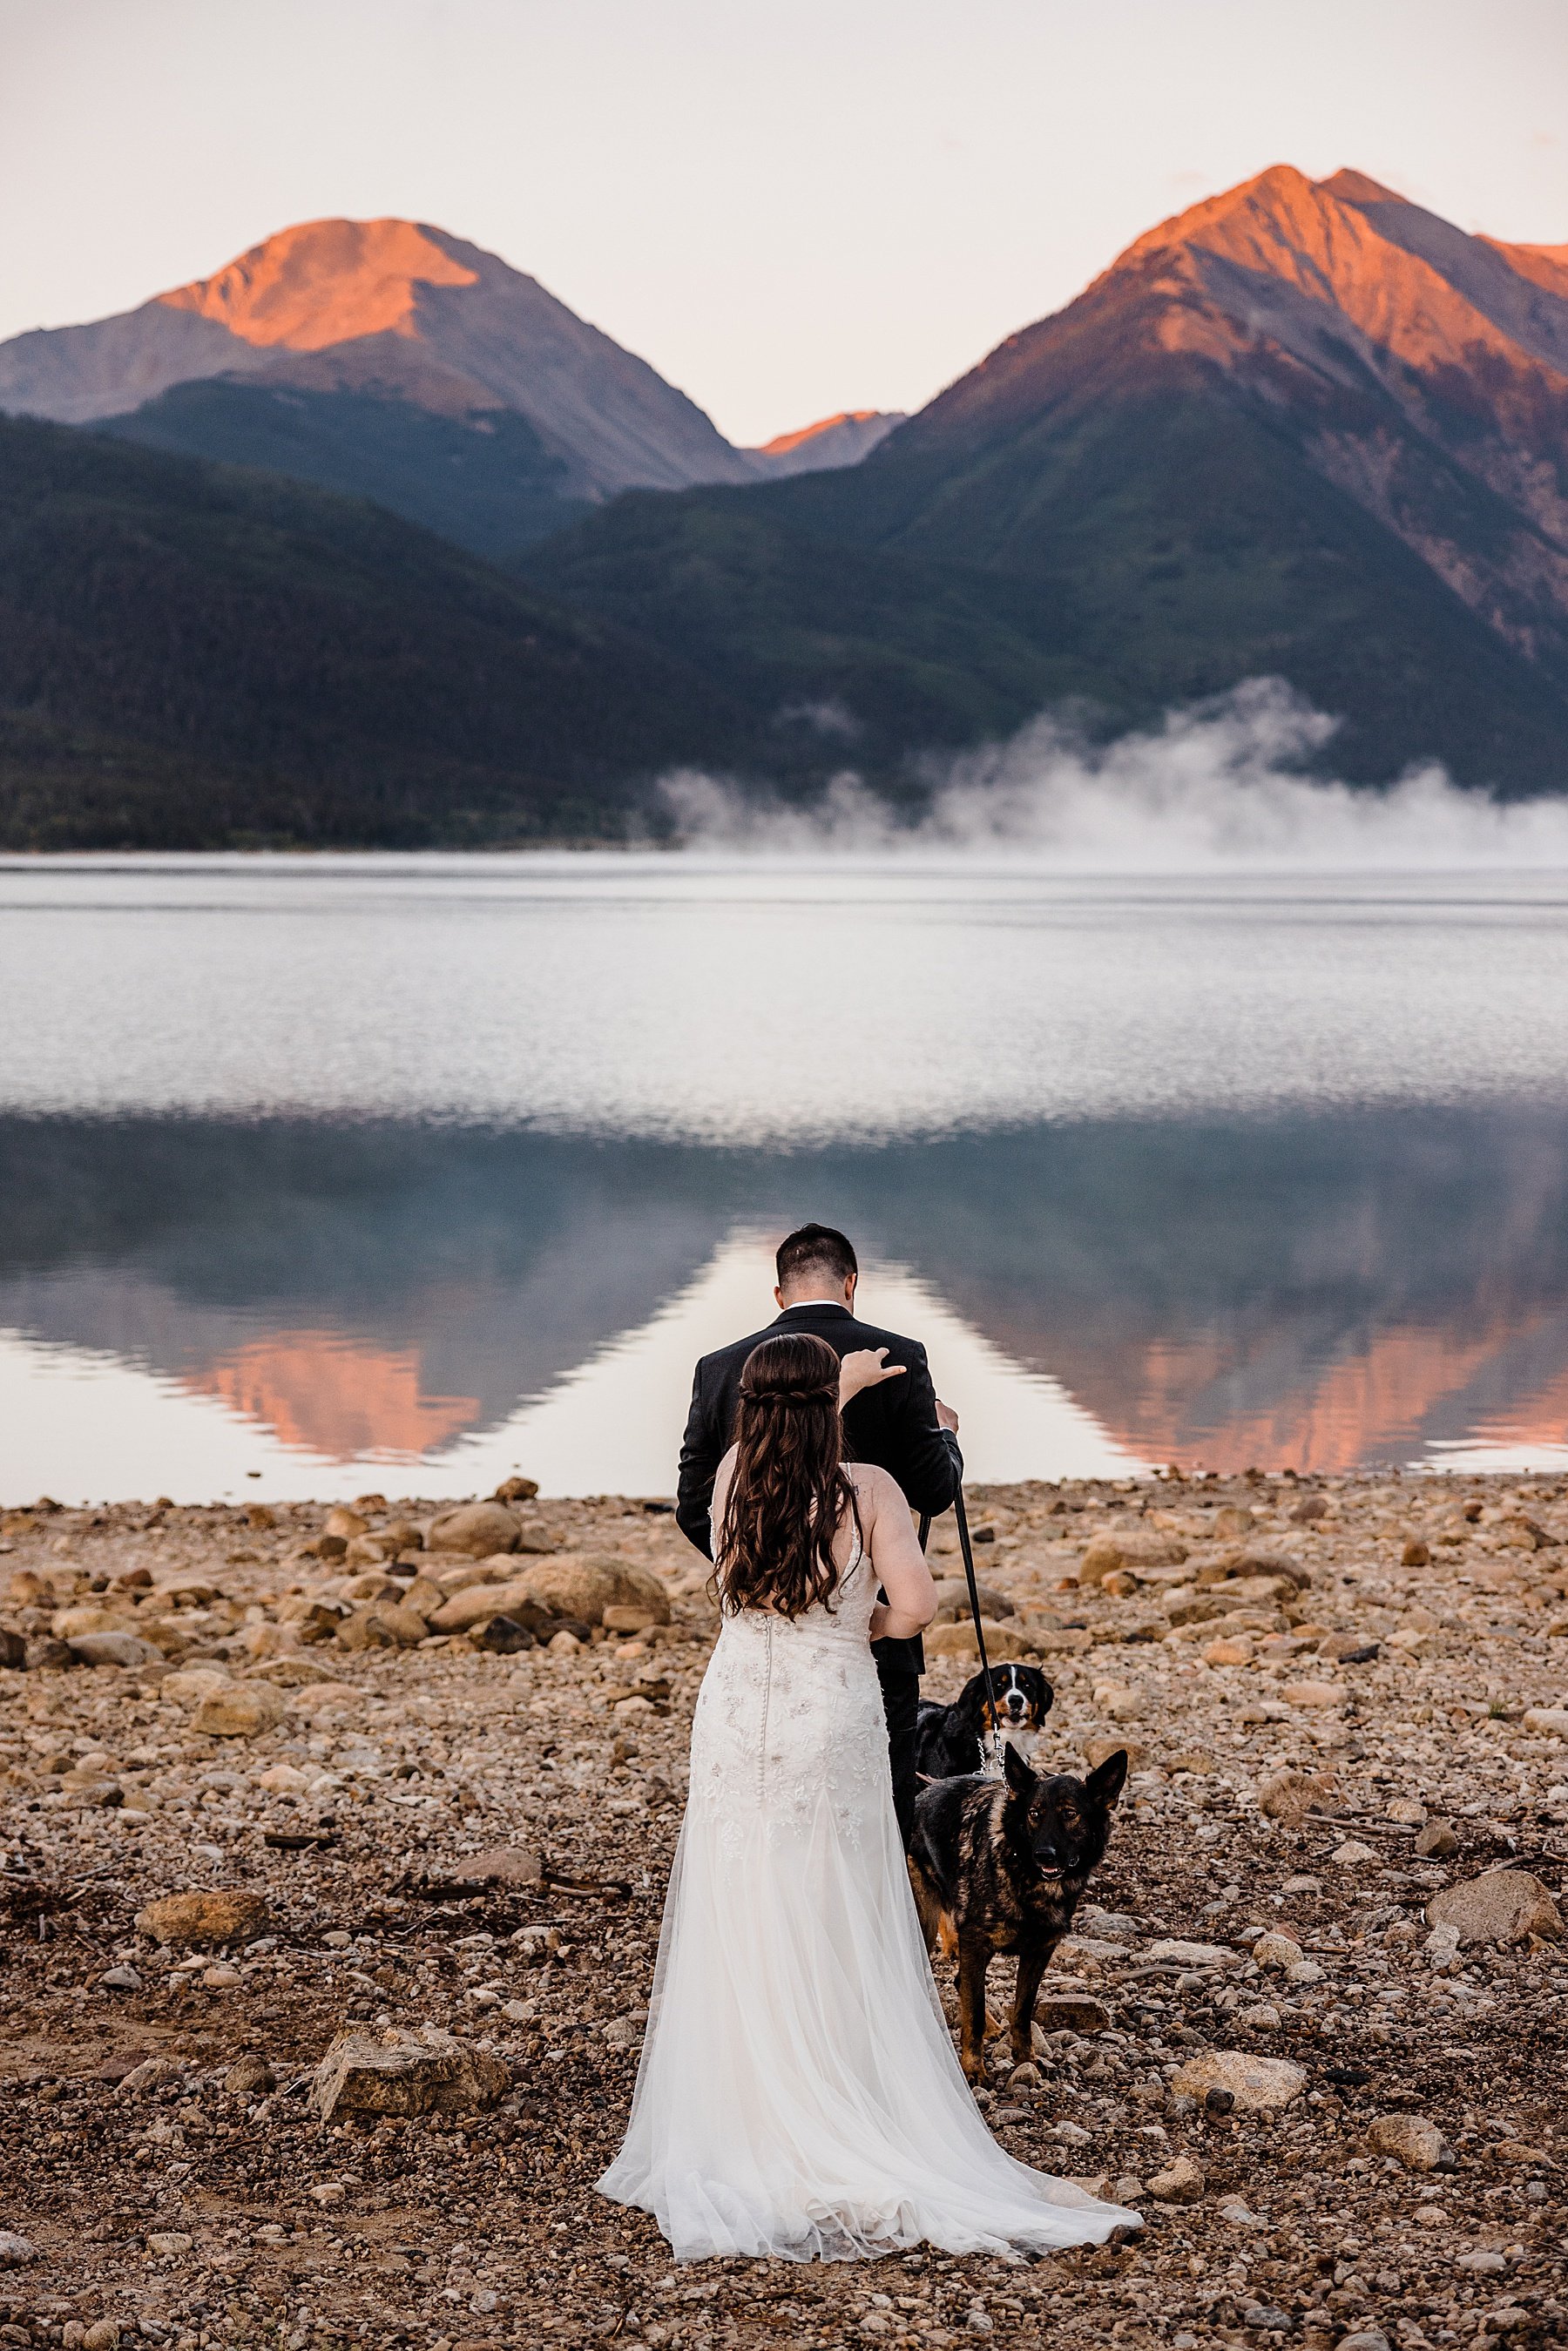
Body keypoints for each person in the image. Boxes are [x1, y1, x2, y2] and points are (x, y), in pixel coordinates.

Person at [599, 1330, 1139, 2260]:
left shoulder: (732, 1476)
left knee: (745, 1882)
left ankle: (744, 2102)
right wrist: (858, 1619)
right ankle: (844, 2087)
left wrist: (822, 1393)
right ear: (825, 1405)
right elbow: (918, 1607)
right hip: (831, 1700)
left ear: (751, 1411)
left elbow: (731, 1553)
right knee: (834, 1888)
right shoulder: (872, 1491)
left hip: (738, 1702)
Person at [677, 1223, 959, 1841]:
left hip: (753, 1647)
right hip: (857, 1639)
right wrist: (948, 1438)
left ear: (780, 1293)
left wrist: (756, 1572)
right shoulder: (899, 1355)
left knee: (752, 1816)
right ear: (851, 1282)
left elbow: (694, 1507)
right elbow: (937, 1490)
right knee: (875, 1808)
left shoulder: (721, 1367)